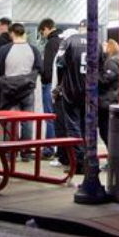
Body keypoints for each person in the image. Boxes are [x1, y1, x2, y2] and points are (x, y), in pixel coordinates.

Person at [0, 23, 41, 160]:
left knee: (11, 121)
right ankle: (26, 152)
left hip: (9, 90)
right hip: (27, 90)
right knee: (27, 121)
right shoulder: (33, 49)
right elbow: (39, 67)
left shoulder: (4, 49)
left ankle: (10, 152)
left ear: (12, 33)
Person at [53, 27, 88, 168]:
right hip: (90, 91)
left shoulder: (68, 42)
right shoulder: (94, 42)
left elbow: (60, 65)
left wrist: (59, 86)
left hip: (71, 90)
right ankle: (87, 159)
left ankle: (78, 162)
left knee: (73, 126)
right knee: (87, 126)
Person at [37, 19, 60, 156]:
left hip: (50, 83)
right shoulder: (62, 40)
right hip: (60, 84)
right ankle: (59, 149)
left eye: (42, 32)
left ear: (46, 28)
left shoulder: (51, 43)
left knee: (49, 117)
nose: (43, 35)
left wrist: (44, 80)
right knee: (58, 117)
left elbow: (48, 65)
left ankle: (49, 149)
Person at [98, 39, 119, 149]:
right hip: (112, 99)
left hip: (107, 100)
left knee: (105, 131)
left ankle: (112, 155)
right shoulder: (118, 59)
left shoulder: (111, 62)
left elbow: (106, 79)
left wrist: (94, 76)